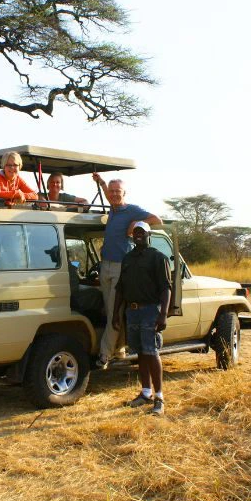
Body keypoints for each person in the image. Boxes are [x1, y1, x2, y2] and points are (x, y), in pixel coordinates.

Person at [92, 173, 162, 368]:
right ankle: (120, 349)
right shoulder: (113, 208)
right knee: (111, 310)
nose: (114, 194)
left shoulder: (131, 210)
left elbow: (157, 219)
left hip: (120, 268)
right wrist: (101, 183)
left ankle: (104, 355)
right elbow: (108, 193)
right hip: (105, 266)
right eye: (112, 192)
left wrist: (135, 225)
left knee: (113, 312)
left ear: (125, 193)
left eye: (118, 192)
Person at [113, 221, 172, 416]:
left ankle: (159, 397)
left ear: (149, 235)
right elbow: (120, 289)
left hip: (150, 311)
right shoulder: (127, 259)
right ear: (133, 235)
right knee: (140, 353)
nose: (138, 234)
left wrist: (163, 314)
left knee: (151, 352)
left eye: (142, 232)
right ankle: (146, 392)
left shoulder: (157, 257)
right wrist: (115, 313)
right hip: (132, 312)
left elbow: (166, 288)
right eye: (136, 232)